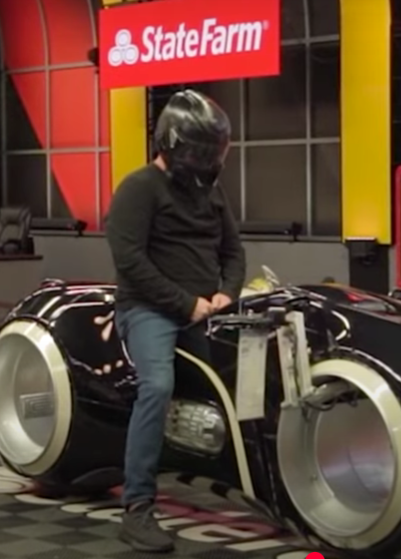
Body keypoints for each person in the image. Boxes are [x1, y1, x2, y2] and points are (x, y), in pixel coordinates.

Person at [105, 89, 246, 553]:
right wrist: (185, 304)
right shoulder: (139, 188)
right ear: (173, 145)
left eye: (210, 153)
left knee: (245, 379)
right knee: (158, 386)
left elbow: (233, 252)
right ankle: (137, 508)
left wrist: (228, 292)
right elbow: (130, 262)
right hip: (148, 310)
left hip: (206, 308)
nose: (205, 162)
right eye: (199, 153)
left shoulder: (211, 192)